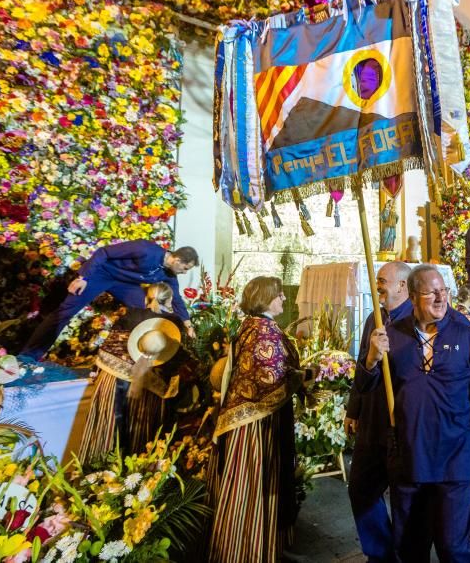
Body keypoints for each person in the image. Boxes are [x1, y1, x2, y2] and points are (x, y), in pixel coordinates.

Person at [357, 264, 470, 561]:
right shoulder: (391, 335)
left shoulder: (465, 336)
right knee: (411, 549)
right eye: (430, 293)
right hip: (407, 460)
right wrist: (372, 358)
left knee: (454, 548)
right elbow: (365, 387)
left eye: (444, 291)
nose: (441, 299)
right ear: (412, 297)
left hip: (453, 460)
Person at [210, 276, 316, 563]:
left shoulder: (250, 326)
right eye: (279, 295)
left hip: (246, 419)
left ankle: (261, 545)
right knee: (260, 481)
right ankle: (252, 549)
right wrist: (305, 377)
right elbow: (270, 380)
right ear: (266, 298)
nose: (283, 299)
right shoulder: (264, 332)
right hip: (257, 425)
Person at [20, 240, 199, 359]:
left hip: (125, 284)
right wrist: (83, 278)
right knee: (66, 311)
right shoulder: (146, 249)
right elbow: (104, 252)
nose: (184, 272)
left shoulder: (168, 274)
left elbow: (176, 299)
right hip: (101, 274)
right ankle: (29, 356)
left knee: (146, 307)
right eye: (185, 267)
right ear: (176, 259)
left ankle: (127, 354)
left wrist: (187, 324)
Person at [344, 261, 412, 563]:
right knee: (361, 488)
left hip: (402, 424)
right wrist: (354, 409)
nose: (377, 286)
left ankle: (404, 553)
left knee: (403, 499)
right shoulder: (375, 316)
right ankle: (380, 554)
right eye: (376, 280)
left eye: (382, 280)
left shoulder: (418, 319)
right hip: (372, 422)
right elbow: (363, 363)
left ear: (402, 286)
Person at [78, 283, 187, 463]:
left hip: (112, 379)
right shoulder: (173, 322)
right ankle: (138, 475)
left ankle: (98, 469)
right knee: (140, 438)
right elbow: (174, 361)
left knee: (109, 429)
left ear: (146, 298)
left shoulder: (129, 315)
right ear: (169, 300)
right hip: (149, 388)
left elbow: (108, 347)